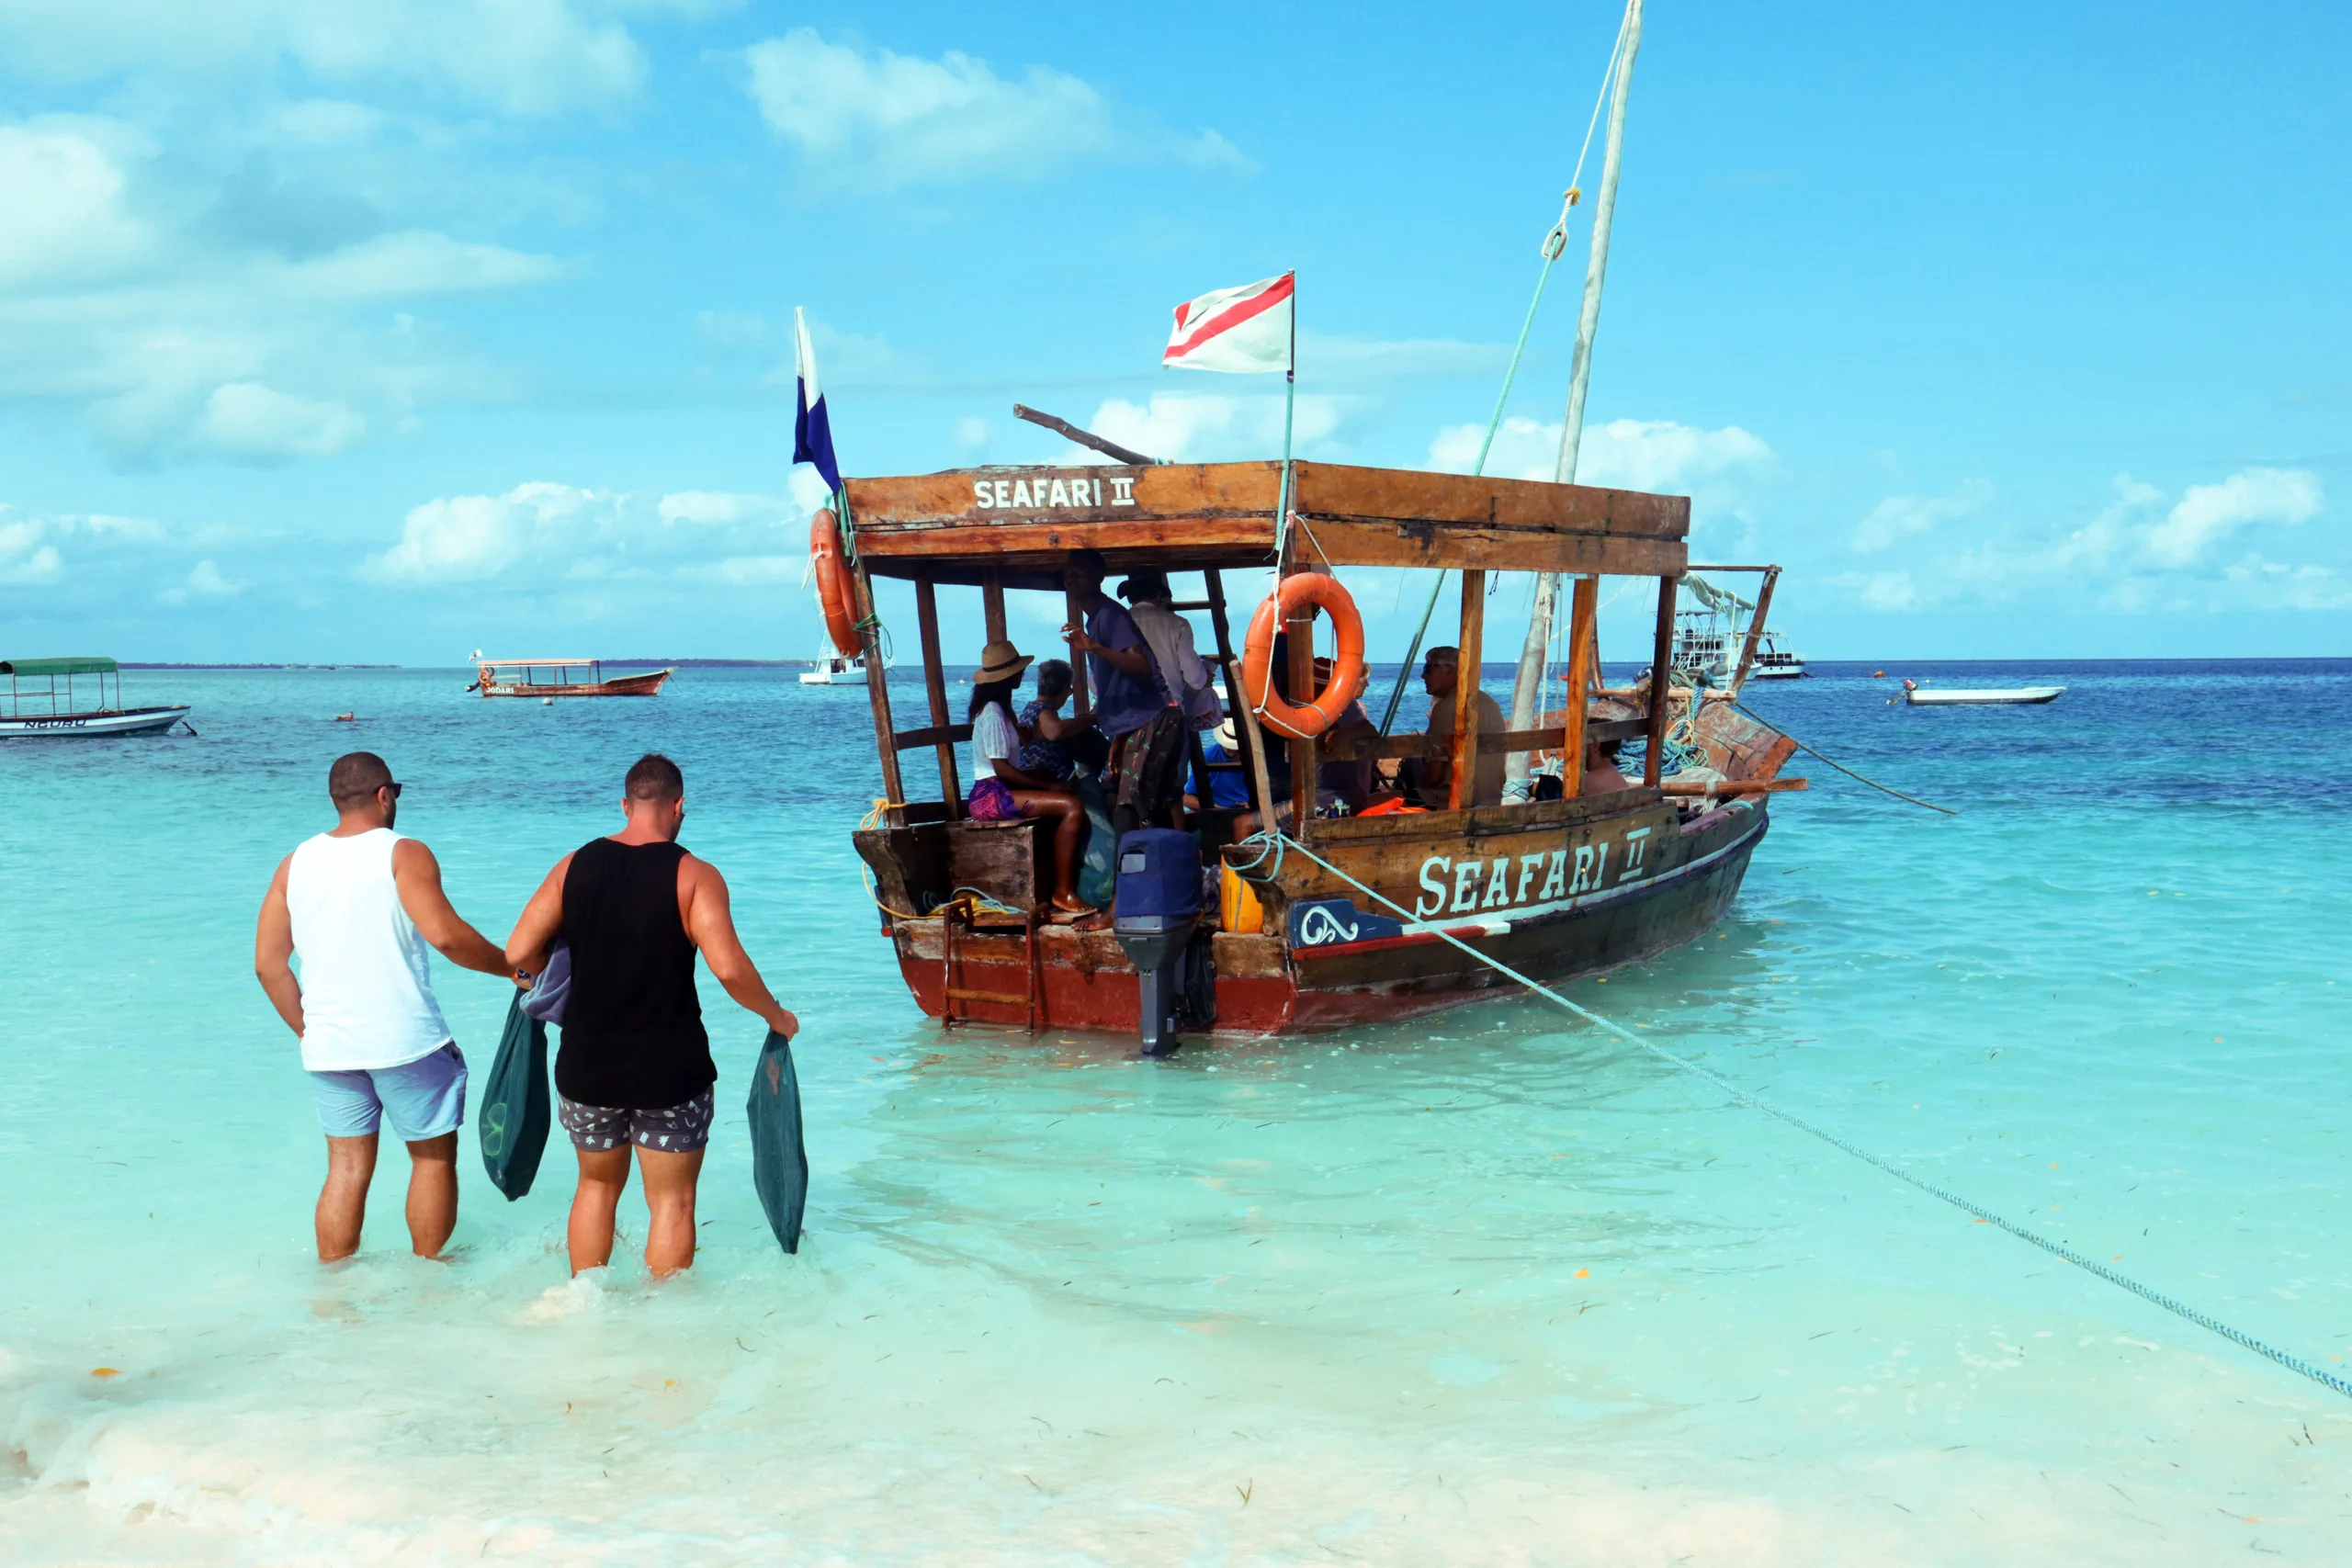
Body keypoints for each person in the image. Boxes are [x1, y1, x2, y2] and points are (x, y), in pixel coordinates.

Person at [503, 754, 798, 1279]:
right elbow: (729, 969)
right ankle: (663, 1327)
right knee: (672, 1203)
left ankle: (586, 1304)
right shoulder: (695, 875)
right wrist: (776, 1016)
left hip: (587, 1064)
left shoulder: (574, 864)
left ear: (625, 805)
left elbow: (519, 950)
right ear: (679, 806)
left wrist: (539, 988)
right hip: (670, 1068)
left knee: (595, 1189)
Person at [254, 751, 514, 1263]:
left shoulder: (296, 861)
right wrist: (513, 968)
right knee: (432, 1160)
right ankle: (429, 1281)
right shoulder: (403, 852)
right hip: (404, 1040)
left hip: (331, 1047)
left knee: (347, 1168)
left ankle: (334, 1289)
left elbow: (268, 964)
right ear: (384, 795)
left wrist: (309, 1030)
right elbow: (445, 935)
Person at [963, 640, 1097, 916]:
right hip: (991, 795)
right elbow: (1000, 768)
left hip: (1000, 789)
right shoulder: (992, 714)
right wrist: (1046, 784)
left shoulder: (1003, 711)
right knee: (1071, 807)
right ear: (1007, 677)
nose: (1023, 675)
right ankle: (1063, 891)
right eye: (1018, 671)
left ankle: (1059, 883)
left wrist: (1041, 776)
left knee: (1065, 799)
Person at [1062, 548, 1182, 833]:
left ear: (1099, 577)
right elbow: (1119, 686)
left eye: (1081, 571)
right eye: (1068, 571)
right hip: (1139, 721)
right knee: (1150, 805)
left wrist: (1095, 647)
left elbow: (1140, 666)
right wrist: (1118, 737)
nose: (1072, 577)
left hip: (1153, 718)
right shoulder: (1096, 618)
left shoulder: (1109, 616)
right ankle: (1158, 868)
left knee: (1129, 806)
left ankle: (1128, 874)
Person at [1117, 569, 1224, 732]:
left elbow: (1096, 683)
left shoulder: (1115, 624)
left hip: (1125, 712)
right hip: (1168, 711)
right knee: (1171, 757)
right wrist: (1206, 676)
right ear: (1160, 597)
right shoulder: (1178, 624)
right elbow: (1194, 677)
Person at [1405, 646, 1507, 808]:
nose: (1423, 675)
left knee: (1375, 801)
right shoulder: (1490, 703)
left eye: (1428, 668)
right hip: (1492, 798)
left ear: (1449, 670)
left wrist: (1417, 785)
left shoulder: (1446, 707)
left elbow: (1435, 775)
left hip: (1454, 802)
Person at [1015, 658, 1079, 783]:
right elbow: (1056, 731)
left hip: (1038, 779)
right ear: (1064, 689)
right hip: (1046, 782)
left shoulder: (1031, 707)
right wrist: (1090, 719)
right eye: (1070, 690)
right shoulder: (1044, 711)